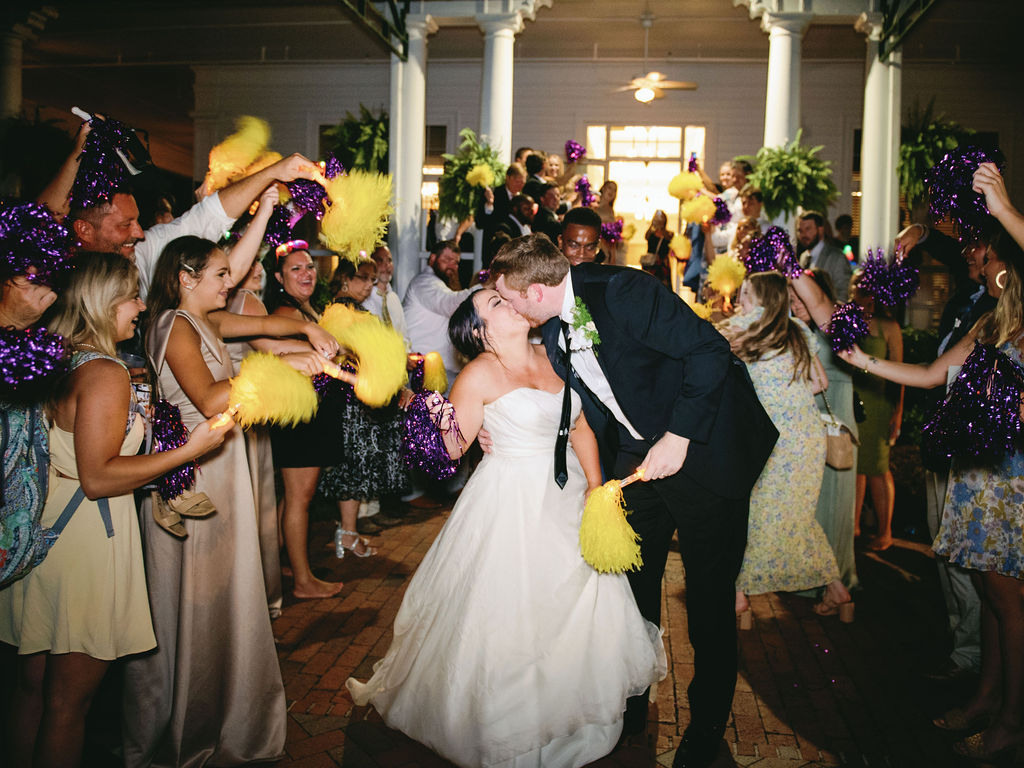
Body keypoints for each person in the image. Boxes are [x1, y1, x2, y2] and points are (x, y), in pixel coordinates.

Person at [490, 234, 778, 768]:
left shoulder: (623, 291)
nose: (502, 307)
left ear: (533, 292)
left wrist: (680, 436)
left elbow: (709, 350)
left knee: (709, 600)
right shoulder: (552, 331)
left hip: (706, 453)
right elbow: (579, 404)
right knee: (631, 590)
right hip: (640, 466)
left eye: (505, 298)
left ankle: (707, 727)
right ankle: (633, 707)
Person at [347, 288, 666, 767]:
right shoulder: (478, 375)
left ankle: (575, 713)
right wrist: (430, 410)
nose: (509, 303)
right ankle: (509, 725)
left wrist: (597, 487)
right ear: (480, 332)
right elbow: (453, 450)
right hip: (510, 504)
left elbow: (578, 426)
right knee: (514, 612)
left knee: (580, 606)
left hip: (568, 496)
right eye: (495, 304)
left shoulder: (554, 353)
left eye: (503, 296)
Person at [0, 252, 227, 768]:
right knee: (69, 705)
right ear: (103, 303)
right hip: (85, 541)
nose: (140, 306)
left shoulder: (56, 357)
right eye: (131, 296)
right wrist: (190, 451)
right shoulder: (105, 372)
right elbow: (98, 476)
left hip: (43, 530)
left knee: (31, 693)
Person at [122, 235, 338, 767]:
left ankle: (218, 707)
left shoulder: (204, 322)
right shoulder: (173, 325)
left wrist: (307, 330)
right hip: (195, 477)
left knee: (220, 593)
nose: (231, 283)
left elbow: (267, 325)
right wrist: (285, 368)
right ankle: (185, 720)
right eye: (221, 275)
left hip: (222, 467)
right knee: (196, 597)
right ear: (186, 278)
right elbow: (212, 398)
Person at [839, 223, 1024, 762]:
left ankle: (1013, 720)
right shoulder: (992, 323)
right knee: (993, 597)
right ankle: (987, 696)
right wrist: (860, 359)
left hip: (1014, 483)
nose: (971, 259)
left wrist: (1004, 206)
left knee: (1011, 603)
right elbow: (928, 373)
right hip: (980, 477)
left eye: (981, 254)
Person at [718, 272, 852, 620]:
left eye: (746, 293)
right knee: (798, 517)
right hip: (806, 438)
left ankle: (738, 595)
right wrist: (788, 396)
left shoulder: (747, 327)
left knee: (757, 513)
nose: (740, 300)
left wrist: (769, 398)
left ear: (760, 298)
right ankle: (837, 591)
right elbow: (819, 381)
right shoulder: (797, 330)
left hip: (771, 439)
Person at [263, 241, 347, 599]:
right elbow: (278, 352)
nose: (306, 273)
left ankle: (279, 560)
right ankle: (302, 580)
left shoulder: (306, 310)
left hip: (311, 414)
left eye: (310, 266)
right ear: (280, 278)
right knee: (300, 497)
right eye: (296, 269)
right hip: (299, 417)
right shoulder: (284, 312)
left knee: (294, 498)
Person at [319, 258, 408, 549]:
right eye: (364, 278)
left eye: (372, 279)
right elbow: (339, 352)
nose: (370, 284)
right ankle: (346, 533)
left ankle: (349, 531)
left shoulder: (355, 310)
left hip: (359, 398)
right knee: (352, 466)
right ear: (346, 279)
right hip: (349, 400)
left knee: (358, 466)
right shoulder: (340, 312)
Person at [788, 268, 860, 591]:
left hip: (836, 419)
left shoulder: (839, 326)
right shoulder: (795, 330)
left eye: (800, 294)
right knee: (810, 503)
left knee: (835, 500)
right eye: (790, 296)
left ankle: (837, 578)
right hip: (807, 424)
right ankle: (811, 577)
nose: (795, 301)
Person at [848, 271, 903, 550]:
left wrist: (898, 413)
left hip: (879, 404)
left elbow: (899, 375)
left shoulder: (888, 326)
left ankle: (885, 531)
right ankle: (854, 526)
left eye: (864, 283)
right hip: (852, 400)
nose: (859, 287)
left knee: (879, 468)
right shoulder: (846, 321)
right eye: (855, 282)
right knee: (856, 467)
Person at [403, 240, 478, 387]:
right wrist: (483, 288)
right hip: (425, 372)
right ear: (432, 259)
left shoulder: (440, 284)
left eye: (456, 262)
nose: (453, 266)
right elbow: (450, 304)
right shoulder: (424, 282)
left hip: (439, 371)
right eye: (447, 260)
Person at [798, 211, 853, 302]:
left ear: (820, 230)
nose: (803, 234)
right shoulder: (803, 257)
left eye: (808, 229)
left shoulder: (837, 257)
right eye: (800, 230)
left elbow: (844, 295)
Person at [643, 209, 673, 288]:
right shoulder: (651, 233)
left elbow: (670, 245)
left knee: (664, 286)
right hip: (651, 263)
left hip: (663, 264)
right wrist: (653, 223)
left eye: (661, 217)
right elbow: (646, 236)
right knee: (649, 286)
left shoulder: (668, 234)